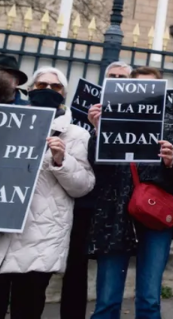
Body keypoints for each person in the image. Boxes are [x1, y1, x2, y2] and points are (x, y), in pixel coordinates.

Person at [86, 66, 173, 319]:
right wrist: (99, 130)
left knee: (150, 298)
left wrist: (171, 161)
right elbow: (94, 166)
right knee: (107, 299)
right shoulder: (110, 117)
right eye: (139, 85)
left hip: (154, 213)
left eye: (151, 86)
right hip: (114, 212)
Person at [0, 67, 95, 318]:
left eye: (55, 87)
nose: (48, 90)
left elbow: (83, 185)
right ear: (30, 89)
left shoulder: (76, 135)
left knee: (27, 308)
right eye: (41, 85)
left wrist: (62, 160)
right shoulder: (6, 123)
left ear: (64, 94)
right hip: (3, 231)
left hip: (40, 235)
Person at [60, 61, 132, 319]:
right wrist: (96, 126)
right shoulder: (86, 110)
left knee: (109, 265)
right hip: (86, 198)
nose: (116, 80)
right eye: (112, 76)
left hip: (116, 202)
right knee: (76, 264)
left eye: (122, 77)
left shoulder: (137, 112)